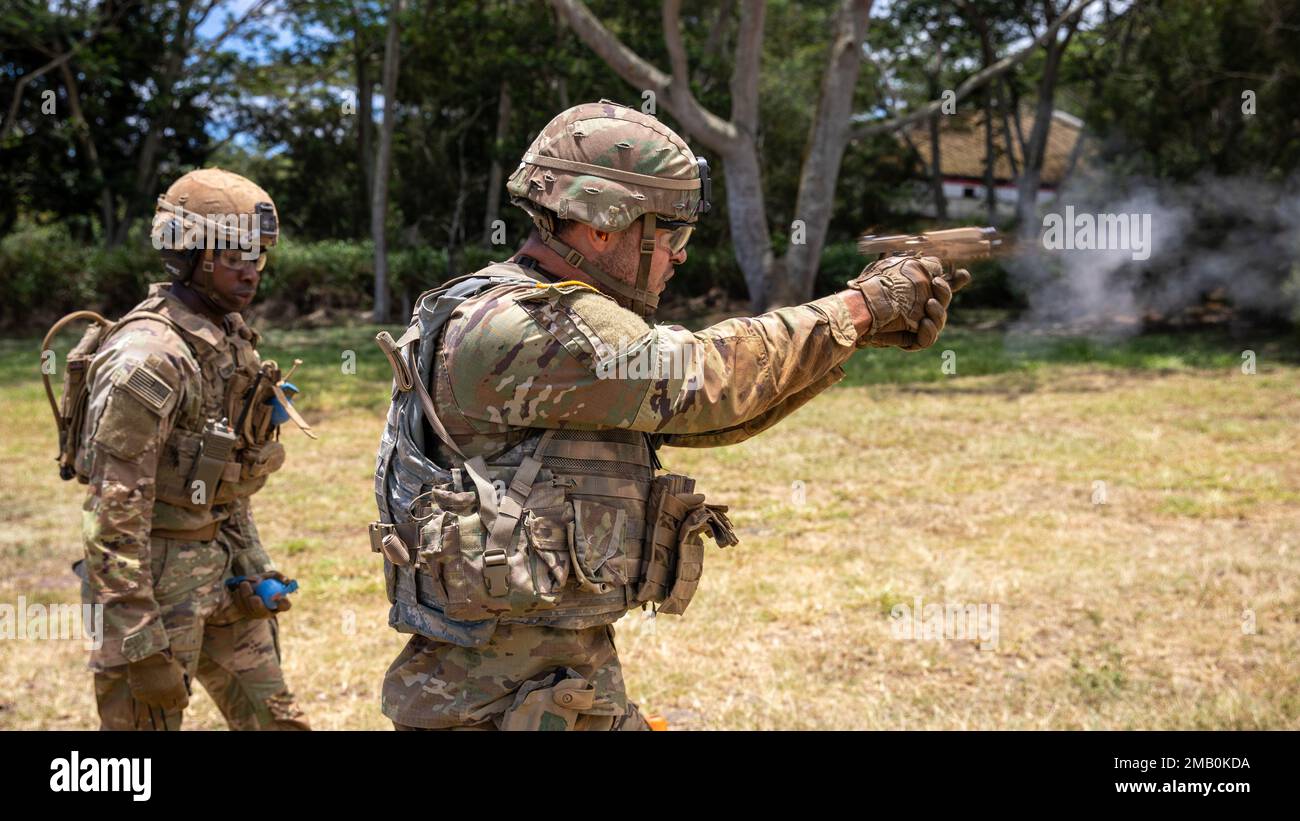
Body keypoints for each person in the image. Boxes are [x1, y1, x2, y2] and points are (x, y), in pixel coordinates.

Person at [373, 100, 968, 730]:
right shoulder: (525, 328)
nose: (680, 255)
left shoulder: (518, 311)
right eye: (672, 233)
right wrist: (860, 310)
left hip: (541, 688)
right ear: (604, 224)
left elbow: (704, 417)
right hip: (498, 705)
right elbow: (704, 381)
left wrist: (853, 333)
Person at [73, 167, 310, 730]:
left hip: (221, 573)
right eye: (235, 258)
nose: (251, 273)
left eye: (258, 258)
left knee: (279, 722)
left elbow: (225, 475)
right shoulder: (150, 357)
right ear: (194, 256)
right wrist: (139, 642)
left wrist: (253, 567)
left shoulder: (227, 342)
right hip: (149, 591)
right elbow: (112, 512)